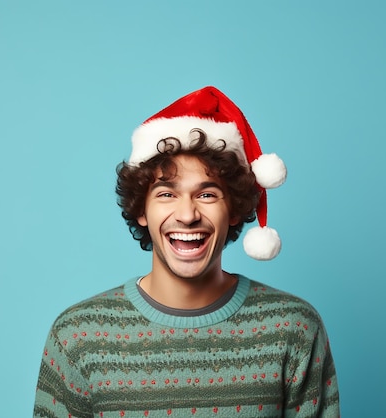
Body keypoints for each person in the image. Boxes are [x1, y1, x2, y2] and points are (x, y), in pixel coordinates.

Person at [33, 86, 340, 418]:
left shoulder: (293, 328)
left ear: (234, 210)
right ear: (141, 209)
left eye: (207, 195)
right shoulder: (78, 336)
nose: (187, 214)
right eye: (166, 194)